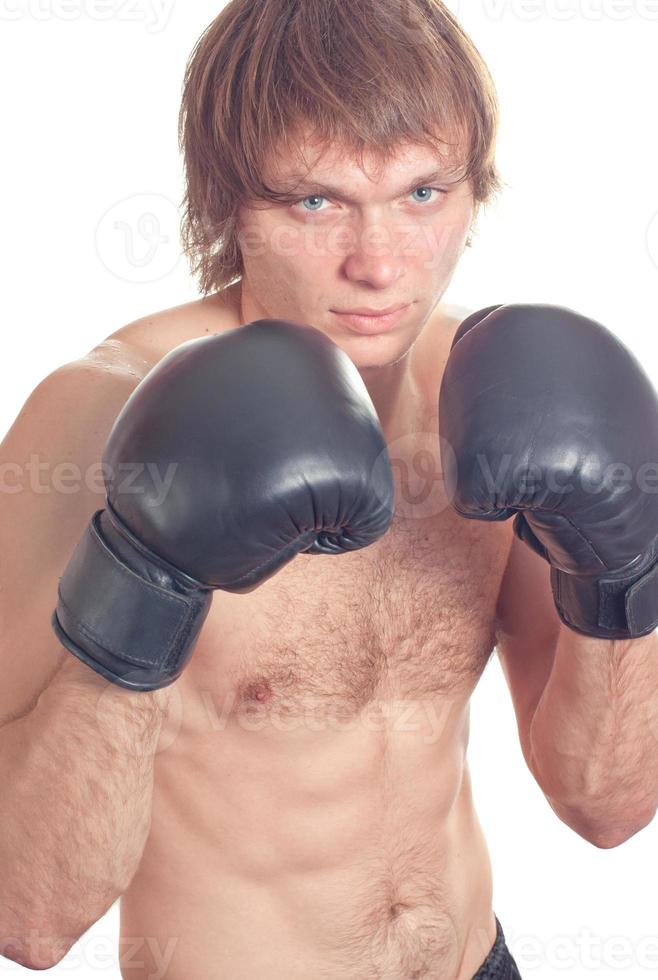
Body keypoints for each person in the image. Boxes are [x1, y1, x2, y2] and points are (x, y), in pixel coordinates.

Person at [1, 2, 657, 978]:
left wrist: (624, 577)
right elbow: (30, 912)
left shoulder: (496, 404)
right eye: (316, 201)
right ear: (229, 199)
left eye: (423, 192)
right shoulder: (99, 420)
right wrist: (143, 577)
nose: (381, 261)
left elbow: (604, 806)